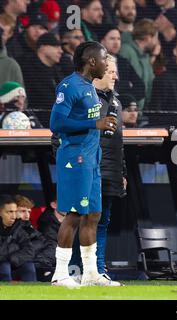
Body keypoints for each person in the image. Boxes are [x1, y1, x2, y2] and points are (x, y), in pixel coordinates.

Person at [49, 41, 118, 288]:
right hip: (74, 159)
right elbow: (56, 124)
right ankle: (60, 275)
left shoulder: (89, 88)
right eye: (104, 59)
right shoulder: (69, 86)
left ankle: (90, 274)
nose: (107, 63)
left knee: (93, 215)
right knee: (75, 215)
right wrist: (94, 124)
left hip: (91, 159)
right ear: (91, 61)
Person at [70, 55, 126, 284]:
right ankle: (73, 269)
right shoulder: (81, 98)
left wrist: (121, 172)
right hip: (87, 170)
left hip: (110, 171)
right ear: (99, 71)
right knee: (78, 220)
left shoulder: (116, 102)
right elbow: (61, 134)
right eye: (111, 71)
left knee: (101, 221)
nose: (115, 76)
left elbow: (117, 141)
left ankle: (97, 271)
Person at [0, 194, 37, 282]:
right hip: (3, 264)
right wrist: (15, 249)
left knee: (29, 267)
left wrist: (12, 258)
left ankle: (32, 294)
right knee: (4, 267)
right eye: (9, 212)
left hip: (13, 262)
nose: (13, 216)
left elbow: (29, 250)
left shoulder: (18, 227)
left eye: (15, 212)